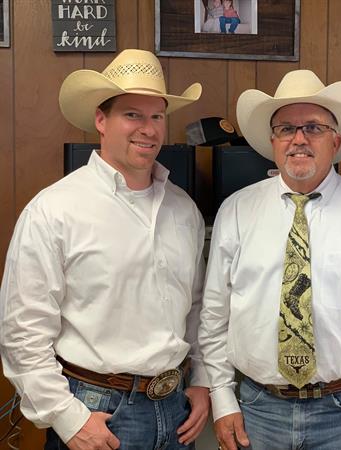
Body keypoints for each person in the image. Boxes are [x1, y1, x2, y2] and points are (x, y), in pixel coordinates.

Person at [198, 69, 341, 450]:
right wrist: (222, 400)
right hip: (257, 408)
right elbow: (214, 314)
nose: (298, 139)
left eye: (314, 128)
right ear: (272, 141)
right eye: (286, 128)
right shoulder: (236, 211)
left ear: (336, 141)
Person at [0, 49, 210, 449]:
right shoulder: (55, 209)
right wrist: (67, 418)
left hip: (176, 408)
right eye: (132, 115)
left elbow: (195, 308)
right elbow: (22, 332)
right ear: (101, 119)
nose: (148, 130)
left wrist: (201, 381)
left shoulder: (183, 209)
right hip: (98, 410)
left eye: (157, 116)